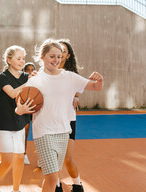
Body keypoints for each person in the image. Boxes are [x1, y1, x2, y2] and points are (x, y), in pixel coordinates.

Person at [15, 39, 104, 192]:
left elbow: (95, 87)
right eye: (52, 56)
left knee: (53, 177)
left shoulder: (69, 77)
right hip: (43, 133)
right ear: (42, 57)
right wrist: (21, 110)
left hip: (63, 132)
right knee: (51, 177)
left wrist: (100, 80)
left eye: (58, 56)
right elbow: (18, 108)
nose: (56, 60)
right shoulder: (34, 81)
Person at [0, 45, 35, 192]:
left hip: (19, 119)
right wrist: (30, 82)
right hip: (3, 121)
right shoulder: (2, 77)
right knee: (7, 161)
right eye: (18, 58)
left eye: (23, 58)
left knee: (20, 158)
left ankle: (16, 190)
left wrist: (37, 78)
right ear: (9, 60)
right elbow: (13, 93)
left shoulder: (26, 77)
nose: (22, 61)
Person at [57, 39, 84, 192]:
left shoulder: (71, 75)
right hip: (50, 120)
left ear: (68, 56)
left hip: (68, 119)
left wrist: (75, 96)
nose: (60, 53)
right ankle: (55, 185)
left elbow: (76, 90)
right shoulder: (46, 72)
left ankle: (78, 185)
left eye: (64, 51)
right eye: (58, 49)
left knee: (67, 158)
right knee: (54, 160)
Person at [22, 62, 37, 165]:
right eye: (28, 70)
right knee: (25, 132)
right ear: (24, 71)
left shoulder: (38, 80)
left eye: (32, 70)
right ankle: (23, 154)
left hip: (36, 107)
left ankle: (42, 157)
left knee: (39, 133)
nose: (30, 72)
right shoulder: (22, 81)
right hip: (26, 108)